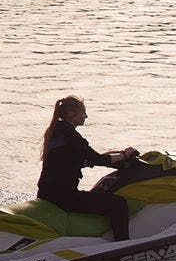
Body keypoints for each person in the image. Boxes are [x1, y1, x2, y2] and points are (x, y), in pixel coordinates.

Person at [38, 96, 136, 241]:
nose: (86, 116)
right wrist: (125, 155)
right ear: (72, 114)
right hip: (65, 197)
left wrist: (87, 162)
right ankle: (123, 246)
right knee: (119, 204)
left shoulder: (55, 132)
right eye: (83, 112)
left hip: (46, 193)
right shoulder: (71, 136)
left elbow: (69, 159)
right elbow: (96, 159)